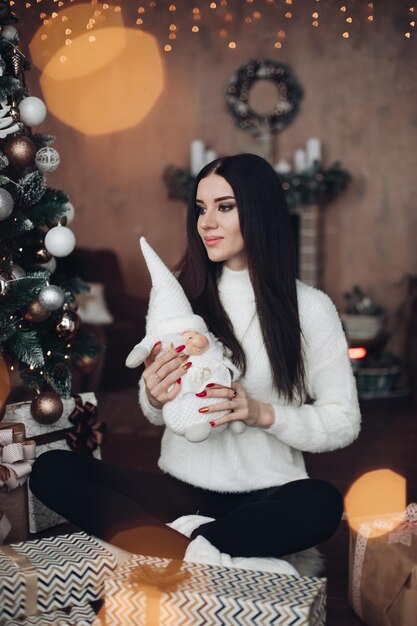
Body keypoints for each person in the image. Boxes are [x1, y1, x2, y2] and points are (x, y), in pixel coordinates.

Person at [30, 153, 361, 572]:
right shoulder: (179, 295)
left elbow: (343, 420)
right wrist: (152, 393)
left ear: (260, 210)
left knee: (322, 503)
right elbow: (156, 413)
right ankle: (199, 550)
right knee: (50, 470)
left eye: (225, 207)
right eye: (201, 209)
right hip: (181, 492)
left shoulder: (311, 309)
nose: (206, 222)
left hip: (269, 495)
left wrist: (262, 413)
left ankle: (173, 545)